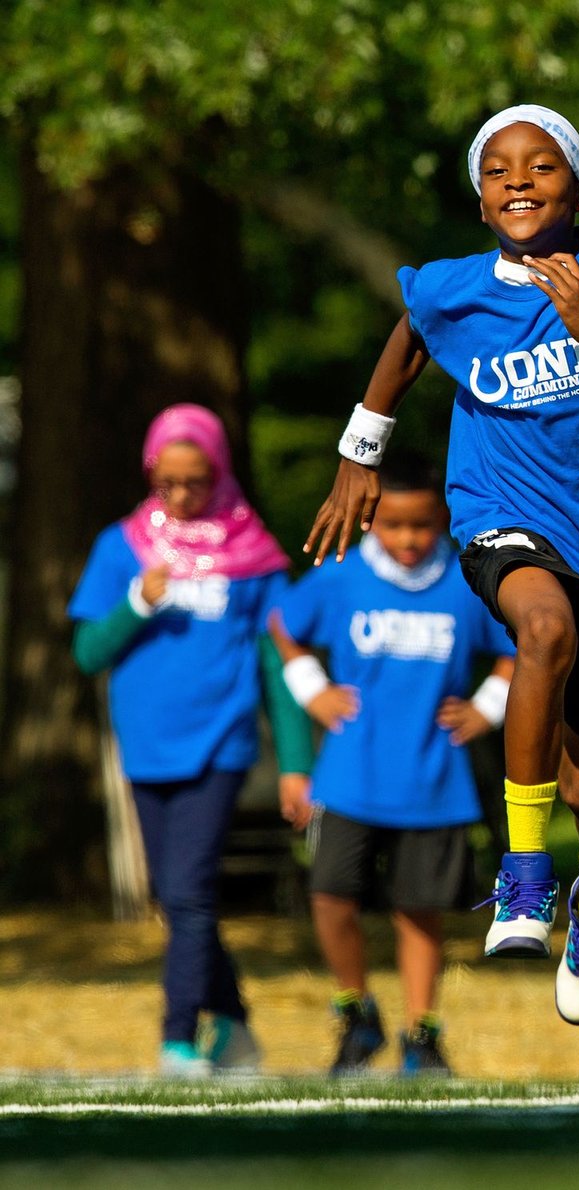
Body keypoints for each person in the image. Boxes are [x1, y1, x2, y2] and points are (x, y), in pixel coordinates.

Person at [303, 104, 579, 1027]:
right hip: (504, 517)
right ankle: (524, 873)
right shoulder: (453, 287)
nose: (519, 180)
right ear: (482, 202)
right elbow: (411, 335)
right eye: (498, 171)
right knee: (542, 625)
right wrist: (360, 451)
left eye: (541, 166)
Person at [68, 403, 308, 1076]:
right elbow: (88, 653)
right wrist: (137, 603)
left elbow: (278, 665)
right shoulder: (122, 547)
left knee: (189, 892)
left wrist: (295, 765)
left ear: (219, 472)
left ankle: (178, 1039)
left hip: (222, 743)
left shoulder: (255, 557)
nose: (179, 495)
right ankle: (234, 1027)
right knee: (179, 896)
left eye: (195, 481)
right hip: (146, 745)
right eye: (165, 481)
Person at [271, 453, 516, 1075]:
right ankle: (357, 1012)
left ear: (443, 521)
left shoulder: (467, 582)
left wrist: (488, 706)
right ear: (371, 523)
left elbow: (522, 645)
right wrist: (312, 689)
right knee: (329, 894)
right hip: (350, 775)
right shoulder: (342, 577)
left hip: (435, 780)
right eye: (395, 526)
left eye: (423, 527)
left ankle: (421, 1032)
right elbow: (284, 627)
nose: (409, 540)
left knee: (420, 908)